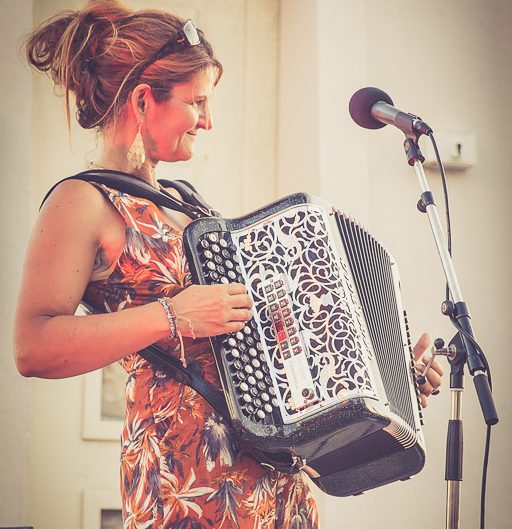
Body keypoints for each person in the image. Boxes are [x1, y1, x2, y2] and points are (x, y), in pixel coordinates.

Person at [14, 1, 443, 528]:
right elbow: (33, 347)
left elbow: (264, 344)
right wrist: (172, 316)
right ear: (144, 100)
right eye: (197, 102)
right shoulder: (81, 202)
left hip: (271, 473)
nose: (209, 121)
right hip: (188, 475)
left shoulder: (183, 203)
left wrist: (388, 375)